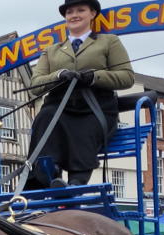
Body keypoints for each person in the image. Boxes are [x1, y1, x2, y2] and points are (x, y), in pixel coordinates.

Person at [26, 0, 134, 188]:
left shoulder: (109, 42)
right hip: (59, 107)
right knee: (45, 117)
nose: (74, 15)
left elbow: (127, 77)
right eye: (70, 12)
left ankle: (77, 182)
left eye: (80, 10)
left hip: (95, 108)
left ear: (92, 13)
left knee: (85, 127)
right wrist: (59, 75)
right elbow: (35, 85)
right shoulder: (51, 50)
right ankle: (46, 175)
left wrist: (93, 76)